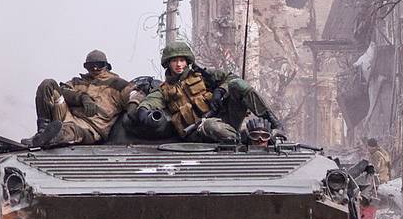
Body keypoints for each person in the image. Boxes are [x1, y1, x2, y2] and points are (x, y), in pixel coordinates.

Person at [135, 41, 281, 143]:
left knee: (237, 84)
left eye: (182, 60)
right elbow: (149, 102)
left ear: (187, 61)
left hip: (225, 119)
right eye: (174, 61)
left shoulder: (203, 75)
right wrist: (143, 113)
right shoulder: (164, 90)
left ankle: (274, 124)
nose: (179, 64)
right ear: (168, 63)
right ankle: (240, 140)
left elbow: (232, 78)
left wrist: (220, 90)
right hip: (197, 131)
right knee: (210, 125)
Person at [22, 50, 142, 147]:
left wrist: (133, 107)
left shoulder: (118, 84)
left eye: (99, 65)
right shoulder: (78, 81)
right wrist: (81, 97)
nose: (95, 69)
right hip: (66, 116)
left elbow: (135, 94)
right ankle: (42, 132)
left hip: (91, 128)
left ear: (106, 66)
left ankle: (50, 137)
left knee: (69, 131)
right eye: (90, 66)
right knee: (48, 84)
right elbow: (63, 89)